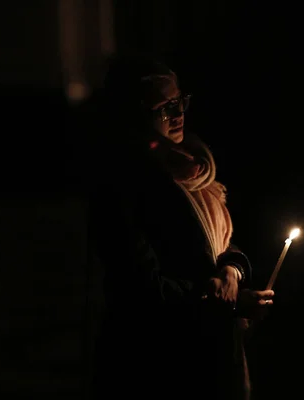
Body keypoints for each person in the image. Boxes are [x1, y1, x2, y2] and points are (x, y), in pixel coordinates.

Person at [87, 54, 274, 400]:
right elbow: (141, 290)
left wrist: (232, 270)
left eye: (180, 101)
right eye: (165, 107)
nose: (179, 114)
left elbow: (219, 244)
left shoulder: (192, 166)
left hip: (213, 356)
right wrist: (220, 300)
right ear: (134, 114)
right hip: (159, 367)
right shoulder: (124, 183)